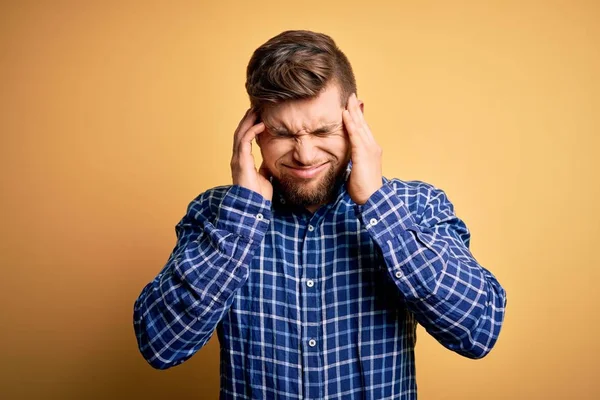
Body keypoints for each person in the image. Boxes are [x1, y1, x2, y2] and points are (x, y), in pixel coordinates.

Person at [133, 30, 507, 399]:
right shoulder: (217, 215)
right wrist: (241, 219)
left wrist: (377, 203)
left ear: (354, 119)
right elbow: (161, 346)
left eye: (323, 130)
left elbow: (478, 330)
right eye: (282, 133)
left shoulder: (415, 207)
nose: (305, 155)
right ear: (253, 131)